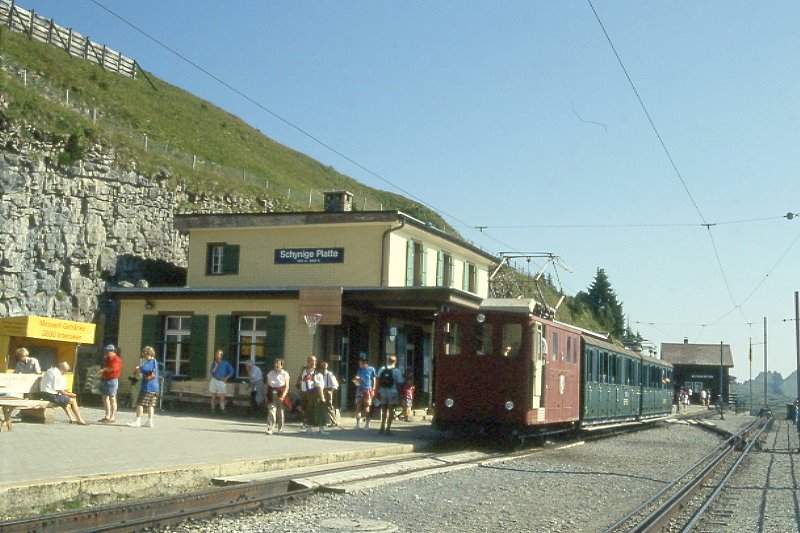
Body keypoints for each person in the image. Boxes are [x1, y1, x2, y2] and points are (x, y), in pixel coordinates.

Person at [127, 346, 159, 428]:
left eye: (144, 353)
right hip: (154, 387)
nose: (143, 355)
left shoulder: (150, 362)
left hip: (147, 387)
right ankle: (150, 421)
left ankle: (137, 420)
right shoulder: (155, 362)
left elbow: (145, 369)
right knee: (150, 405)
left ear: (148, 354)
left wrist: (138, 368)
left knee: (139, 403)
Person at [376, 355, 404, 436]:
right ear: (395, 361)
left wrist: (376, 392)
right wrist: (400, 394)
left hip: (382, 391)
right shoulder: (396, 371)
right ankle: (388, 429)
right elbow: (400, 383)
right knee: (391, 410)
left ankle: (382, 427)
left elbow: (378, 381)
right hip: (393, 392)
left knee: (384, 409)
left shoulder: (382, 369)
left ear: (388, 360)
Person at [98, 344, 123, 423]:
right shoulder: (108, 359)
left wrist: (103, 370)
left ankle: (112, 417)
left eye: (107, 351)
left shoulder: (116, 359)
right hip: (106, 379)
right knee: (105, 397)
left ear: (112, 351)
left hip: (112, 380)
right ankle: (107, 416)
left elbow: (112, 369)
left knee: (112, 398)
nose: (106, 353)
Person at [266, 358, 290, 435]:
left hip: (281, 392)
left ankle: (280, 428)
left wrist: (283, 396)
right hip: (272, 392)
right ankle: (270, 428)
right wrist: (266, 394)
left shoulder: (285, 374)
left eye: (278, 364)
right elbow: (267, 385)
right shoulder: (270, 373)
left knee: (280, 412)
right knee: (271, 411)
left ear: (282, 365)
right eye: (275, 363)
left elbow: (287, 386)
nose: (276, 365)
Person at [297, 355, 319, 434]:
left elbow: (319, 381)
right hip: (303, 391)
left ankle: (310, 426)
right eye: (312, 361)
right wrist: (300, 389)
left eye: (315, 361)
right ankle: (306, 424)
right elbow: (299, 379)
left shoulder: (317, 370)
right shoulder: (303, 369)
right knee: (304, 409)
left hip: (312, 392)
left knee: (311, 409)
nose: (314, 362)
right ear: (308, 361)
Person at [209, 349, 235, 414]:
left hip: (222, 381)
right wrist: (216, 366)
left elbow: (232, 371)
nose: (218, 355)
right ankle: (213, 409)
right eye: (217, 354)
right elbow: (211, 372)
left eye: (220, 354)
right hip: (214, 380)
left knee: (222, 397)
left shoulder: (225, 363)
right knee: (213, 396)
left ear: (222, 355)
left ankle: (222, 409)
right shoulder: (213, 363)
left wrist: (227, 378)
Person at [353, 357, 376, 430]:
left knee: (367, 406)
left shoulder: (371, 369)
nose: (360, 364)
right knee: (358, 406)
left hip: (367, 389)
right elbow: (356, 380)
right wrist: (356, 380)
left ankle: (367, 424)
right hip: (359, 389)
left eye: (361, 363)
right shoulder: (359, 370)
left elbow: (374, 378)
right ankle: (357, 424)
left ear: (365, 362)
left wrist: (373, 388)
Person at [319, 359, 339, 427]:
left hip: (327, 391)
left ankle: (334, 421)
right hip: (321, 390)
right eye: (323, 364)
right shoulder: (319, 374)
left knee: (329, 407)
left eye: (325, 364)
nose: (324, 365)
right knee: (321, 407)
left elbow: (335, 384)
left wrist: (331, 391)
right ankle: (324, 421)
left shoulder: (329, 374)